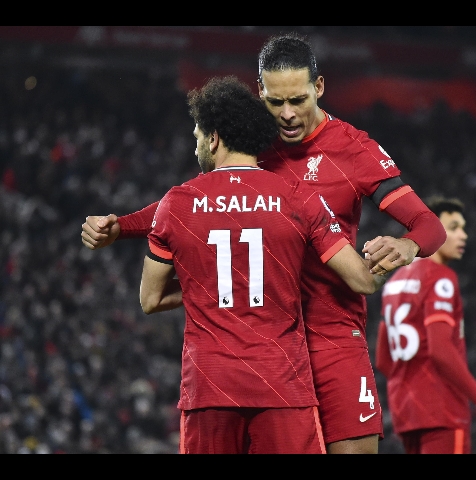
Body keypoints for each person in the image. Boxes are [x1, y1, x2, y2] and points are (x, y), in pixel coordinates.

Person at [81, 32, 446, 454]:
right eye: (276, 102)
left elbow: (428, 225)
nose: (287, 115)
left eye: (298, 100)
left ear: (319, 87)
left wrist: (407, 246)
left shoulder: (354, 150)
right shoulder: (252, 142)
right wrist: (122, 227)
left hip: (331, 335)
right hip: (268, 346)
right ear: (260, 92)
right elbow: (193, 200)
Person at [138, 75, 388, 454]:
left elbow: (150, 299)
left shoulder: (177, 203)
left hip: (209, 384)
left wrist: (206, 287)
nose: (195, 144)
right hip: (282, 382)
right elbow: (362, 280)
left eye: (197, 135)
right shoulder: (298, 196)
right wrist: (385, 261)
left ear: (214, 138)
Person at [375, 195, 476, 454]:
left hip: (406, 411)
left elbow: (382, 359)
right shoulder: (440, 278)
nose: (463, 236)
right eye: (453, 228)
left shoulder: (394, 282)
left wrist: (413, 386)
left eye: (463, 228)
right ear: (432, 232)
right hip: (442, 409)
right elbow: (440, 349)